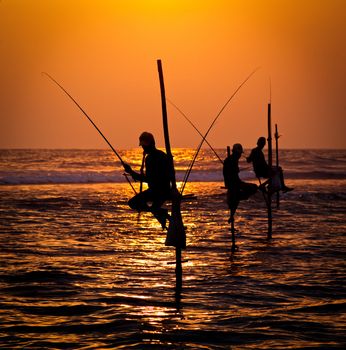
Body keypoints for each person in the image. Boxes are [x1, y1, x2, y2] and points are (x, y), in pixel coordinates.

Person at [123, 132, 173, 229]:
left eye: (145, 146)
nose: (144, 148)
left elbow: (149, 179)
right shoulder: (162, 154)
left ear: (151, 144)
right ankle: (161, 213)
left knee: (132, 203)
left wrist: (131, 172)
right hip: (165, 189)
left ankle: (162, 213)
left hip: (157, 191)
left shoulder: (150, 158)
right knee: (154, 208)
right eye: (143, 146)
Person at [223, 143, 258, 220]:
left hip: (234, 182)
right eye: (239, 154)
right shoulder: (231, 160)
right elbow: (231, 174)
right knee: (254, 187)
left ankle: (232, 214)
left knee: (238, 195)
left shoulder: (231, 159)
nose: (239, 156)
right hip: (233, 183)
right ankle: (238, 198)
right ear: (236, 153)